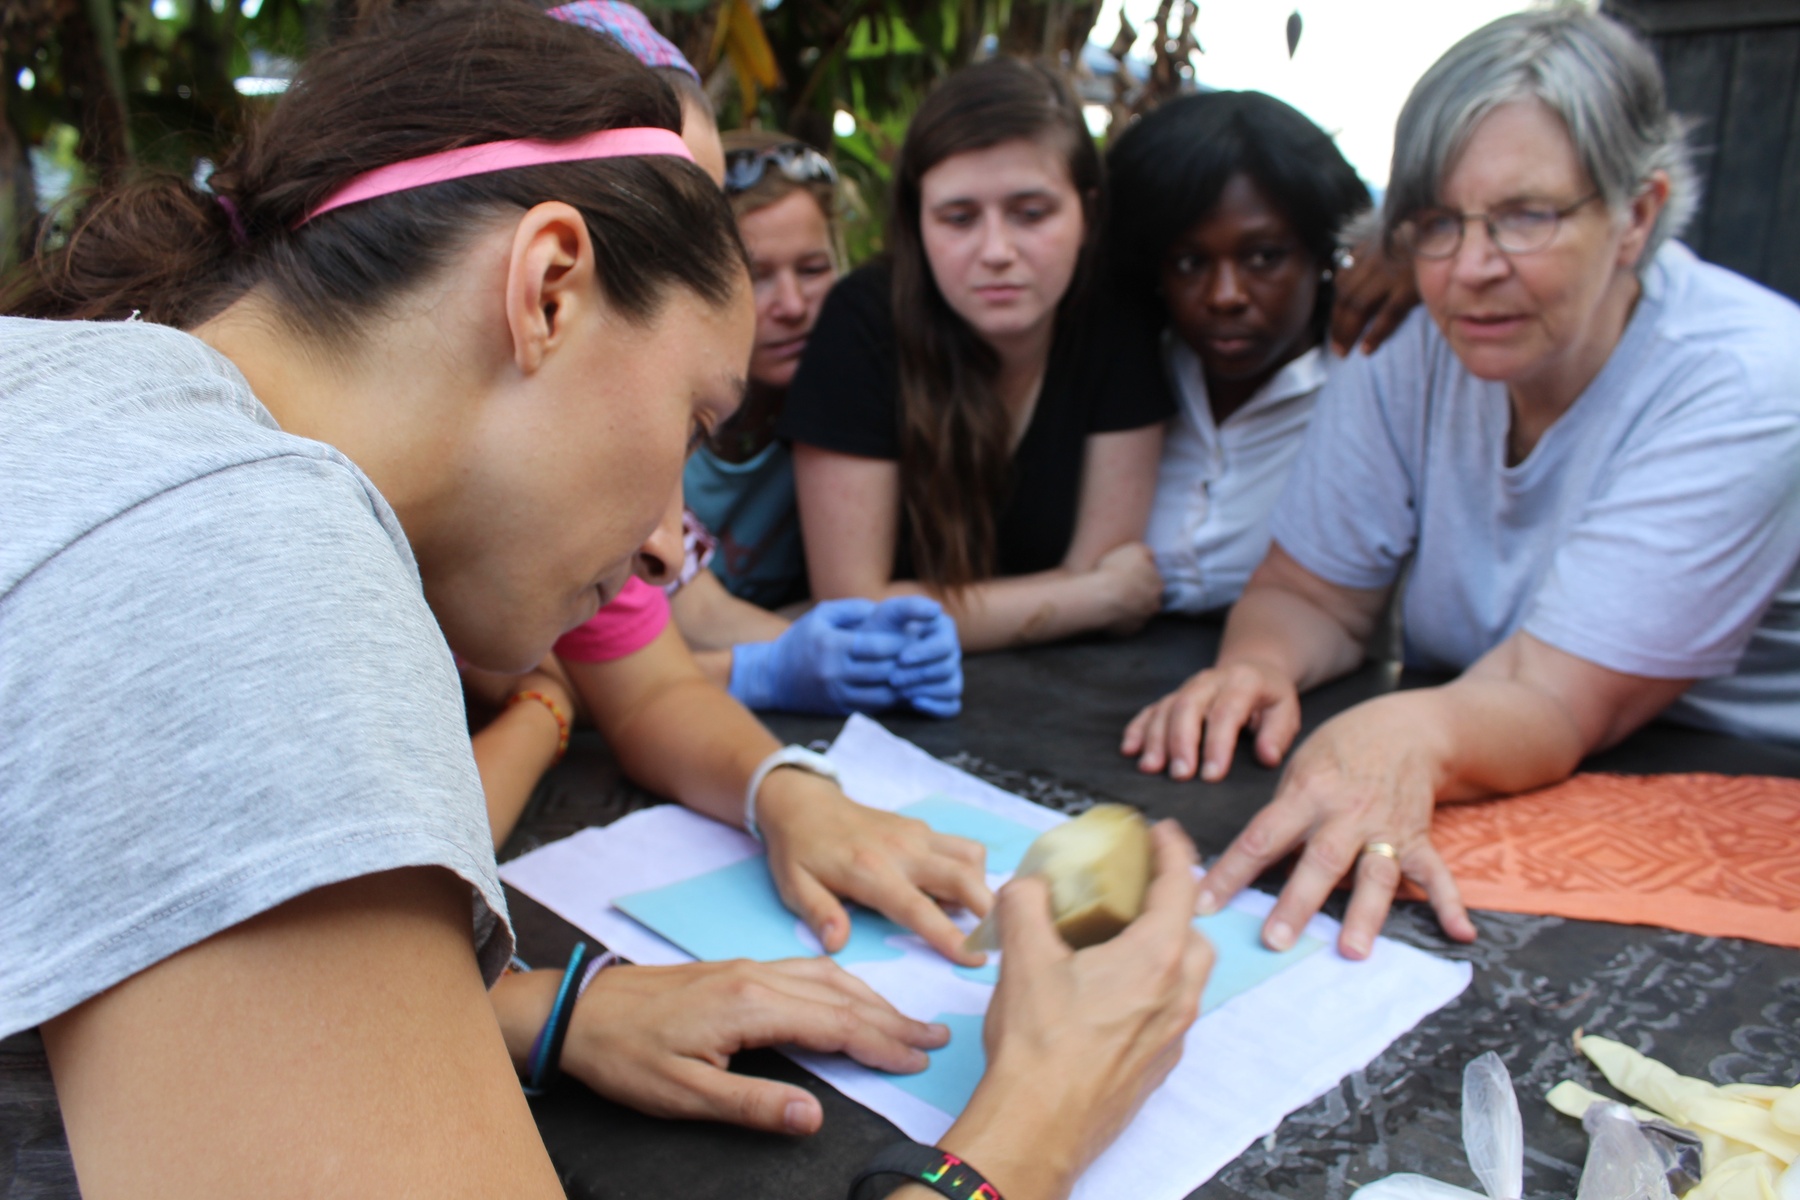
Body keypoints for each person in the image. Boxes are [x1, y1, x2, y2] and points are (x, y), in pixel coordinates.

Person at [1, 6, 1209, 1194]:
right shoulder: (230, 555)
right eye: (693, 419)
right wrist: (1028, 1131)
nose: (660, 544)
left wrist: (534, 1012)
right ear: (550, 289)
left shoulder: (102, 423)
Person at [1123, 7, 1800, 963]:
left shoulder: (1751, 383)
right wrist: (1260, 663)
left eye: (1528, 215)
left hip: (1743, 803)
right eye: (1437, 223)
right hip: (1512, 762)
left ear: (1636, 215)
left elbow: (1559, 697)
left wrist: (1400, 735)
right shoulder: (1407, 330)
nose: (1473, 269)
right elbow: (1313, 592)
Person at [780, 58, 1172, 653]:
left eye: (1031, 213)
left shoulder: (1116, 320)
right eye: (959, 218)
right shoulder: (863, 321)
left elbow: (1109, 567)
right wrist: (1091, 597)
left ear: (1088, 213)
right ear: (917, 222)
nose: (996, 251)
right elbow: (852, 607)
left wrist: (1092, 594)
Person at [1106, 90, 1372, 614]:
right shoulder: (1122, 373)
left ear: (1321, 253)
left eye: (1263, 258)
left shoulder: (1364, 388)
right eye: (1189, 263)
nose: (1225, 295)